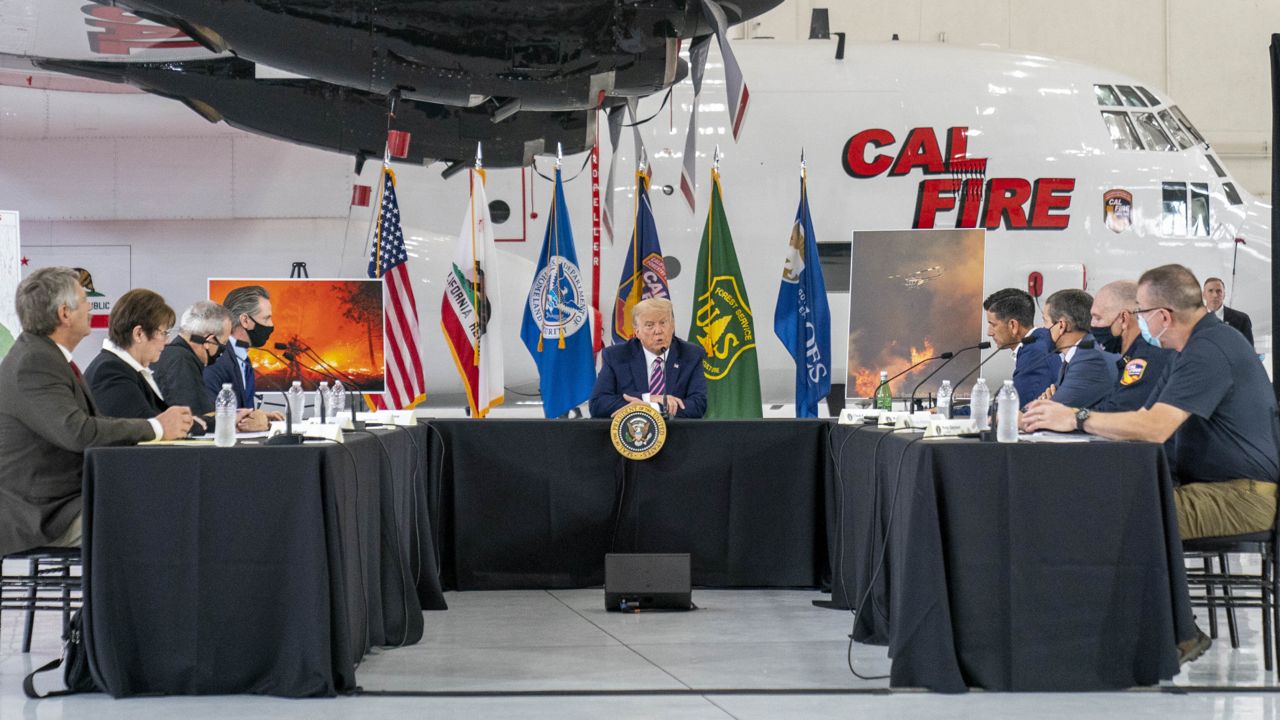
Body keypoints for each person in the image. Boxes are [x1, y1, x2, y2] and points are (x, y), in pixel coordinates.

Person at [0, 268, 193, 557]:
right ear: (65, 313)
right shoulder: (35, 362)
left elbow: (91, 424)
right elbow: (78, 432)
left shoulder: (44, 355)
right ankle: (118, 603)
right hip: (43, 514)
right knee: (156, 522)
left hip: (62, 501)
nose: (91, 306)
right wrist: (157, 428)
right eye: (84, 299)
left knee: (161, 509)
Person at [154, 300, 270, 432]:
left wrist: (246, 417)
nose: (224, 350)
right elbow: (194, 422)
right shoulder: (181, 362)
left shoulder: (178, 356)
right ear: (209, 341)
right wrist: (237, 421)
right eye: (224, 343)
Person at [83, 288, 191, 425]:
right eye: (163, 333)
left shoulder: (124, 368)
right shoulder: (110, 371)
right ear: (139, 334)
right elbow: (148, 425)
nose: (167, 341)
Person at [589, 298, 707, 418]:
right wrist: (648, 398)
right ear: (637, 332)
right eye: (650, 325)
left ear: (672, 326)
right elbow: (598, 404)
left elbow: (698, 405)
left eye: (663, 323)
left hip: (676, 434)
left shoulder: (691, 355)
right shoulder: (616, 356)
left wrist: (651, 407)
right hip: (631, 433)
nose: (658, 331)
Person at [1088, 280, 1175, 413]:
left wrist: (1071, 416)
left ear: (1123, 318)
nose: (1093, 325)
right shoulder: (1136, 354)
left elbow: (1120, 411)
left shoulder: (1147, 356)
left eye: (1098, 318)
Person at [1037, 288, 1118, 409]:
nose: (1043, 329)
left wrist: (1017, 416)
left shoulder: (1091, 357)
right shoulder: (1080, 353)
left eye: (1045, 321)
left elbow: (1050, 413)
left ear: (1061, 326)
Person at [204, 284, 277, 413]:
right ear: (245, 320)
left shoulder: (242, 357)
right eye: (266, 318)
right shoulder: (217, 359)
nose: (271, 325)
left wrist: (260, 418)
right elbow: (210, 415)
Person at [983, 288, 1060, 407]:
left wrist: (953, 411)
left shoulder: (1035, 353)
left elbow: (1012, 409)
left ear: (1013, 325)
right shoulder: (1038, 344)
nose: (989, 333)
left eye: (993, 325)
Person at [1203, 276, 1253, 346]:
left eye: (1219, 291)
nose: (1215, 295)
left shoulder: (1242, 320)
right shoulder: (1192, 320)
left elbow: (1248, 352)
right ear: (1203, 295)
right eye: (1210, 291)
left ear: (1224, 295)